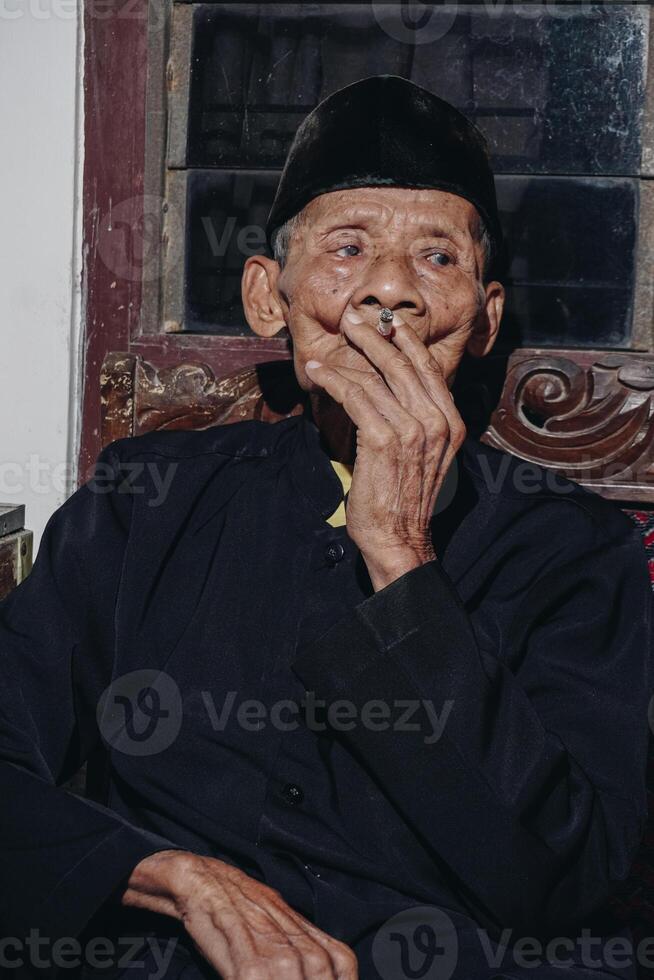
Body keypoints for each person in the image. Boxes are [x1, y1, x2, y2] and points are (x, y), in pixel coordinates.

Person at [0, 74, 651, 980]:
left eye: (437, 259)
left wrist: (402, 557)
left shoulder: (576, 551)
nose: (390, 291)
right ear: (271, 297)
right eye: (348, 247)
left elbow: (566, 878)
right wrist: (173, 879)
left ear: (487, 319)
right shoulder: (142, 502)